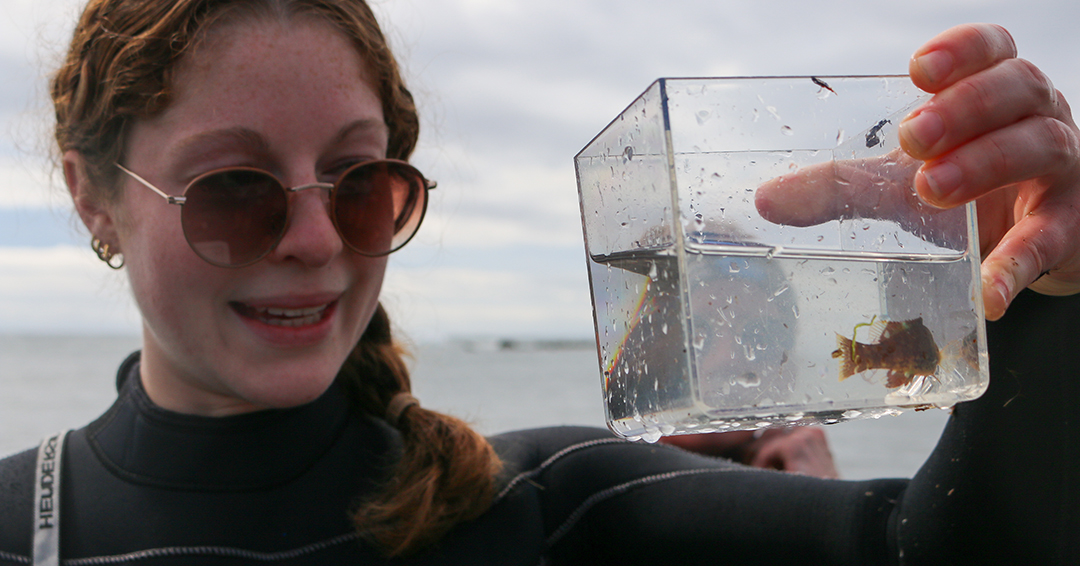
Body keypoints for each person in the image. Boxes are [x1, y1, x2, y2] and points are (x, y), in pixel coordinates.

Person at [0, 0, 1076, 562]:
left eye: (361, 181)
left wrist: (1043, 290)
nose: (318, 238)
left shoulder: (537, 508)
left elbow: (944, 547)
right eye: (234, 188)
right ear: (94, 194)